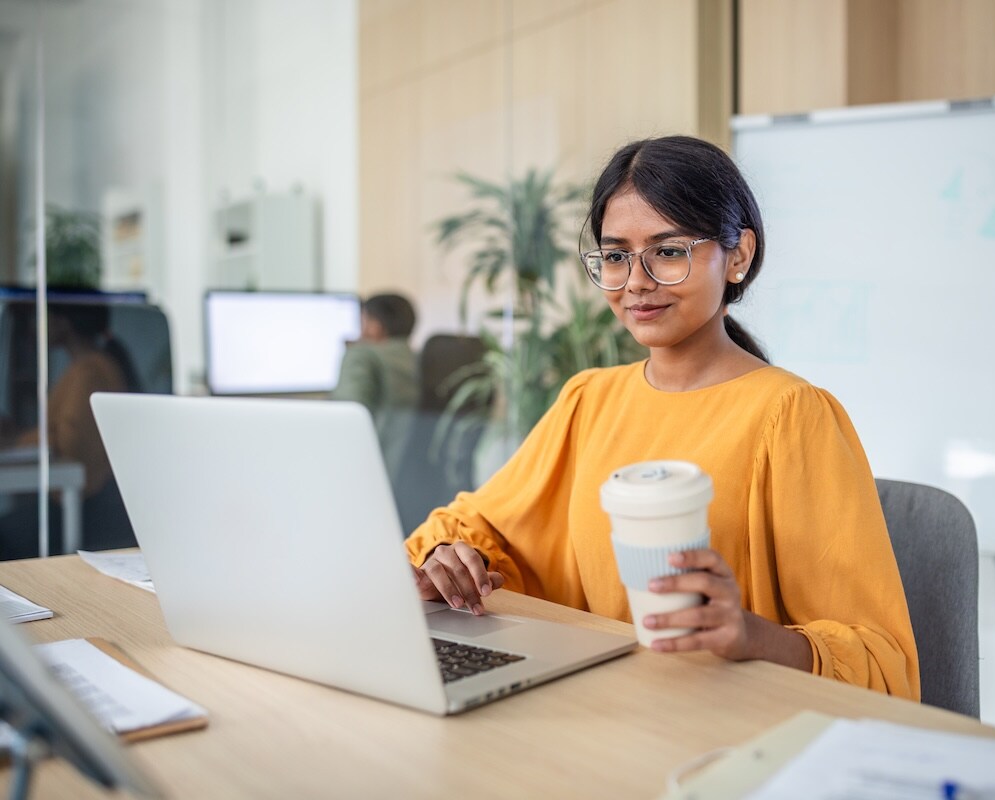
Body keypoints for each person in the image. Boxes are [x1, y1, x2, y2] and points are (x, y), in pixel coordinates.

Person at [404, 136, 919, 698]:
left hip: (724, 728)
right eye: (617, 255)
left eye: (668, 251)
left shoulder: (791, 415)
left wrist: (751, 634)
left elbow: (880, 659)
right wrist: (453, 561)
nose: (636, 282)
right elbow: (486, 532)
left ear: (739, 256)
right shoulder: (588, 400)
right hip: (597, 709)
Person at [0, 302, 138, 558]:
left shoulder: (90, 371)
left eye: (44, 317)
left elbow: (71, 444)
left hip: (88, 508)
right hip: (83, 502)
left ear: (63, 322)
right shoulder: (84, 367)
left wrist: (17, 440)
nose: (36, 327)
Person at [330, 293, 418, 424]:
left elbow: (344, 418)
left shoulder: (362, 356)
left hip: (369, 443)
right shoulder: (421, 358)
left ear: (375, 327)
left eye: (363, 321)